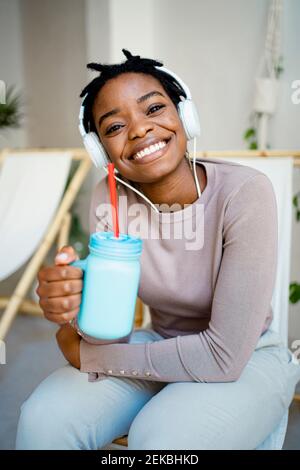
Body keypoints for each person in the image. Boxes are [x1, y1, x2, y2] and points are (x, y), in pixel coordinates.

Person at [16, 50, 300, 450]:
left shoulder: (244, 192)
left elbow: (222, 356)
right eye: (115, 125)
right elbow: (101, 330)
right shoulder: (109, 199)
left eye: (153, 108)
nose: (139, 129)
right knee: (43, 419)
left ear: (185, 116)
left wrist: (91, 358)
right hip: (156, 345)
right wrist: (73, 310)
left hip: (248, 357)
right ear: (101, 151)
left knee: (164, 438)